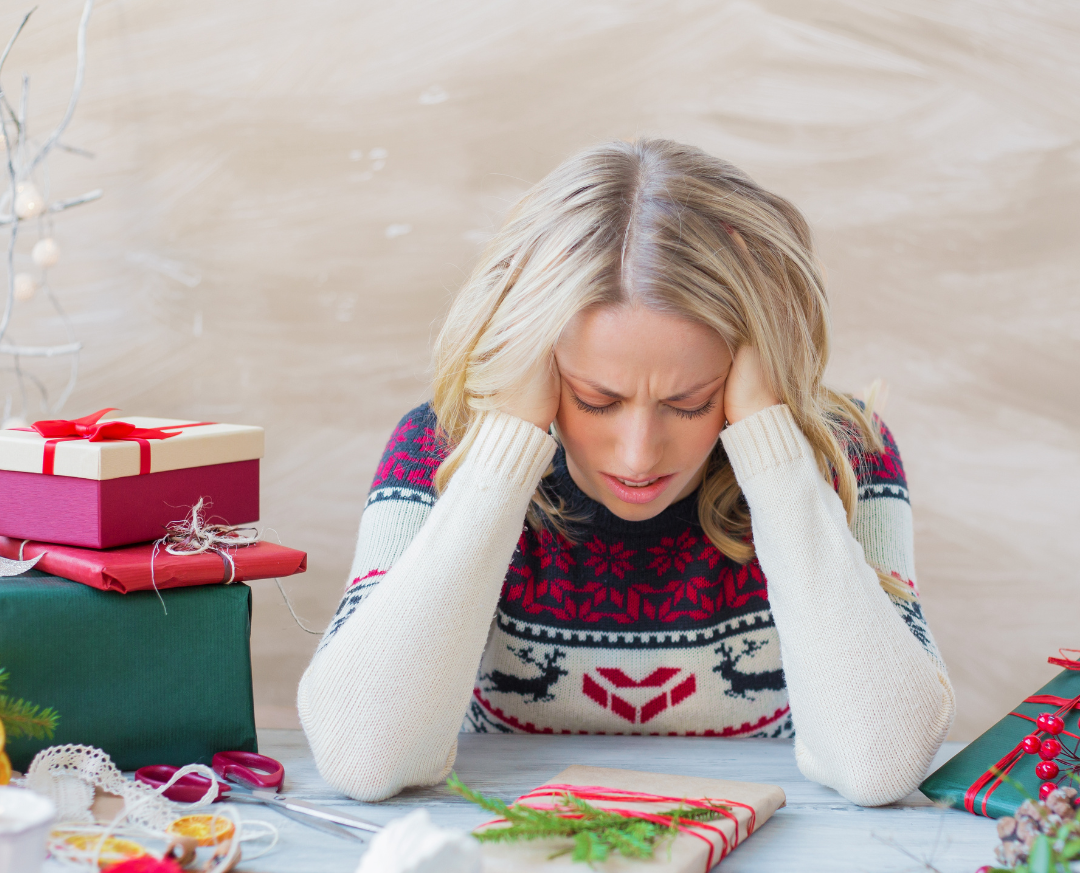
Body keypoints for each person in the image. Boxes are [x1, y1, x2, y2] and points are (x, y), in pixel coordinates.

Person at [298, 137, 954, 806]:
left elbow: (880, 761)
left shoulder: (846, 453)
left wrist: (770, 440)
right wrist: (505, 447)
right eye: (596, 400)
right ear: (541, 364)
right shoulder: (439, 450)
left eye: (690, 402)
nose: (639, 455)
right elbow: (363, 753)